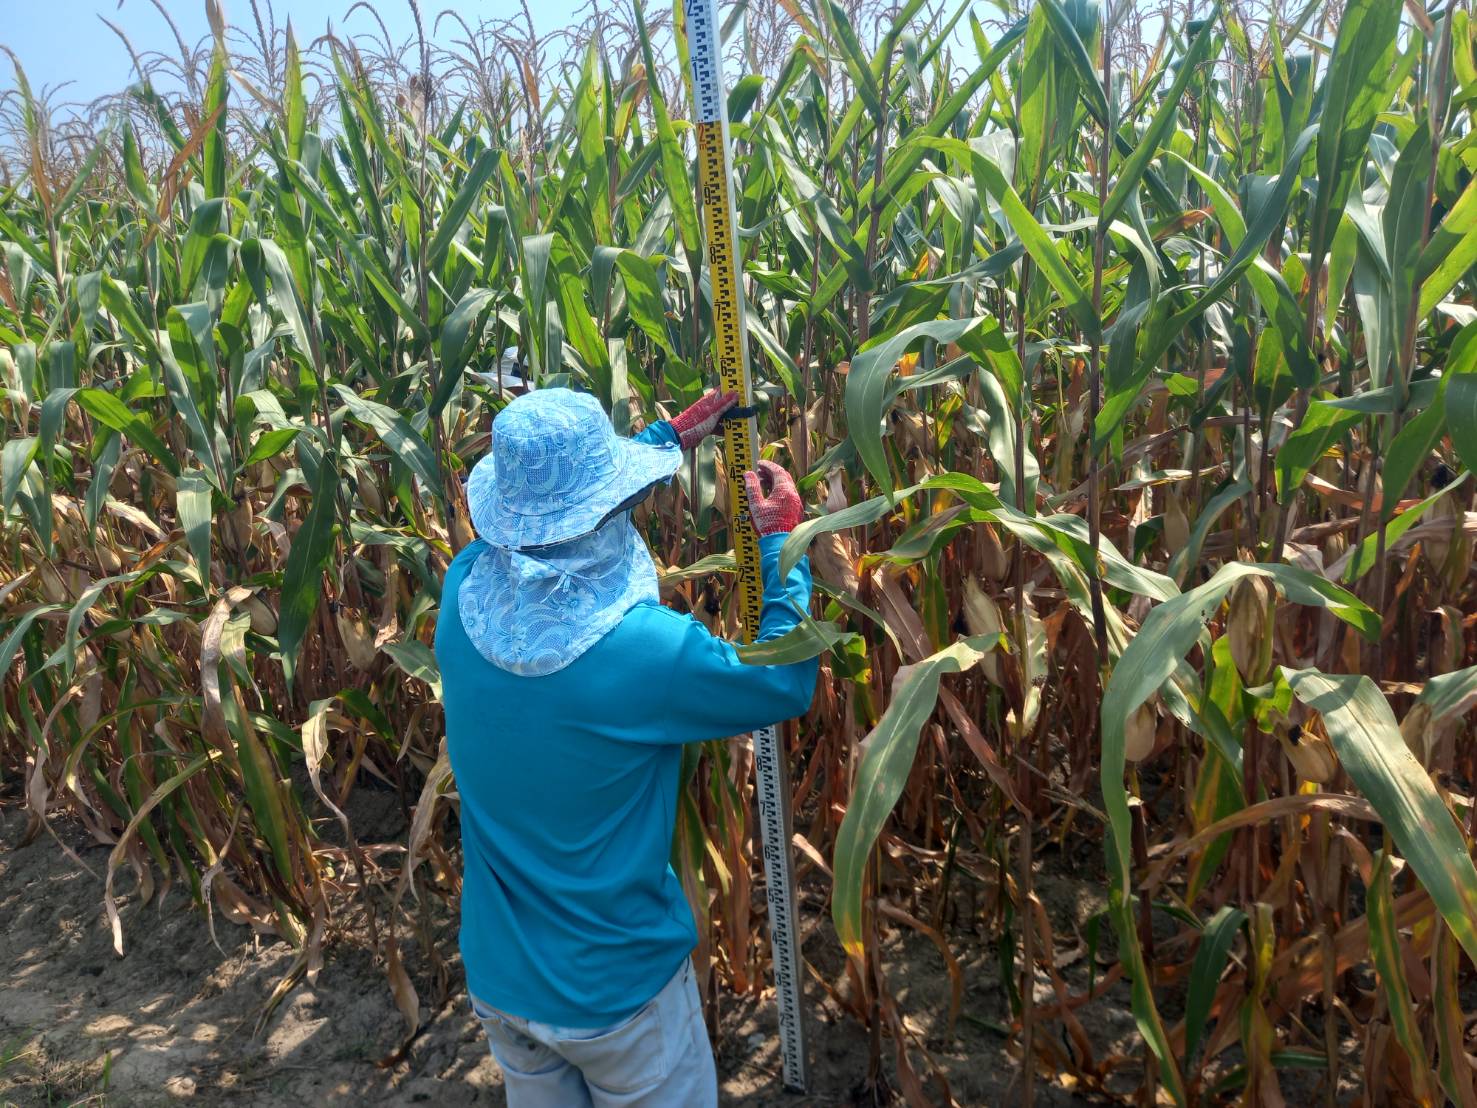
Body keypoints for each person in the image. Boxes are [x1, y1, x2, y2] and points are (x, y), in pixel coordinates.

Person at [435, 386, 819, 1107]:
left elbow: (551, 526)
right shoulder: (642, 654)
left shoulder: (462, 597)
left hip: (500, 980)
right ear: (606, 506)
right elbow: (783, 680)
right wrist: (779, 546)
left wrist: (662, 440)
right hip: (615, 997)